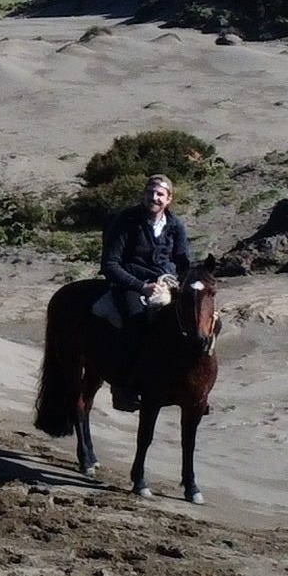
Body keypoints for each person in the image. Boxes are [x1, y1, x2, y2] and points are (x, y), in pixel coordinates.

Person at [92, 174, 196, 410]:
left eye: (160, 194)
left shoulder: (175, 226)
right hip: (130, 284)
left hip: (166, 283)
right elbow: (110, 264)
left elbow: (183, 263)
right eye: (150, 192)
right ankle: (123, 387)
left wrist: (182, 283)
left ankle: (189, 386)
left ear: (169, 199)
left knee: (191, 323)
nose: (154, 197)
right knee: (136, 322)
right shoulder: (126, 221)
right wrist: (141, 286)